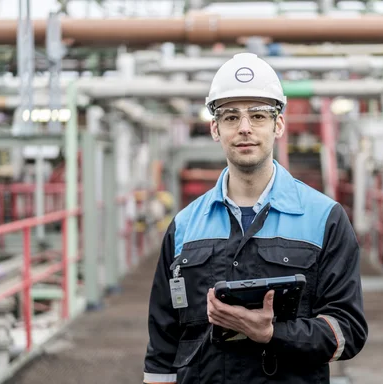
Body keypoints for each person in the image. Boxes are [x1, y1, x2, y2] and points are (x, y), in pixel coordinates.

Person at [143, 52, 367, 384]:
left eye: (258, 115)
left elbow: (347, 330)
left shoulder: (325, 219)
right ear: (215, 129)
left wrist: (272, 332)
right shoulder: (185, 226)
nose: (245, 128)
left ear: (278, 125)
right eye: (231, 117)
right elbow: (164, 339)